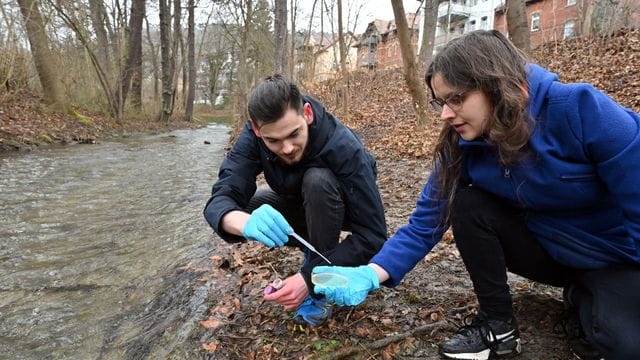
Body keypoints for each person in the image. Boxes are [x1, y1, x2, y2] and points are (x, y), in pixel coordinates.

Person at [313, 30, 640, 359]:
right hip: (548, 253)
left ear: (496, 85)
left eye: (456, 99)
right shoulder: (462, 145)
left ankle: (588, 296)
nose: (445, 114)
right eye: (441, 102)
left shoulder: (580, 110)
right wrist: (371, 273)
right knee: (468, 202)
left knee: (622, 345)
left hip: (614, 257)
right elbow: (426, 222)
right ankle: (498, 327)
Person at [203, 74, 387, 328]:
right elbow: (221, 198)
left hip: (341, 208)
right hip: (296, 203)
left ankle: (320, 285)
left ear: (307, 115)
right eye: (273, 141)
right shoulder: (253, 137)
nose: (287, 148)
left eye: (294, 134)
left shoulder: (344, 147)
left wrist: (309, 278)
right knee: (242, 209)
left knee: (317, 181)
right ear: (257, 130)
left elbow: (373, 234)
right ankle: (314, 250)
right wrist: (244, 223)